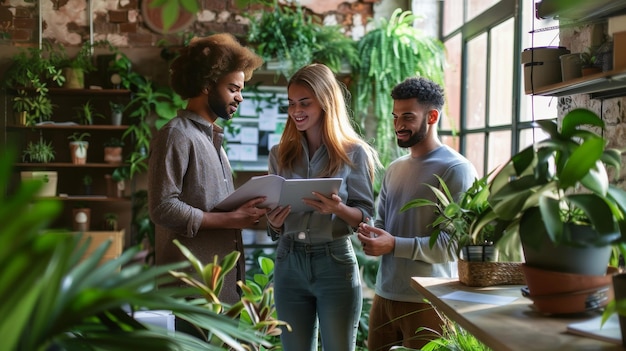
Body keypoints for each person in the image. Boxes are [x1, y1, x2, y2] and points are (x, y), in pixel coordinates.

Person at [356, 76, 478, 350]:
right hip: (385, 296)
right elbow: (382, 224)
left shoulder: (457, 169)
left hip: (429, 301)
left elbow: (452, 246)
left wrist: (392, 244)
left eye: (408, 117)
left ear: (432, 116)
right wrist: (371, 236)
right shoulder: (395, 168)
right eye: (395, 116)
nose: (398, 125)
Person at [265, 63, 380, 351]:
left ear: (326, 102)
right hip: (289, 262)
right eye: (291, 103)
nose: (296, 111)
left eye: (305, 102)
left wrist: (338, 208)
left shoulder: (355, 153)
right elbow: (271, 225)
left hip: (335, 263)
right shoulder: (280, 154)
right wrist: (274, 222)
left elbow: (365, 218)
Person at [148, 33, 266, 304]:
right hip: (190, 294)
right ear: (206, 85)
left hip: (222, 294)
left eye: (242, 90)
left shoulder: (213, 141)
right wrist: (230, 220)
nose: (240, 98)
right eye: (233, 88)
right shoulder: (176, 135)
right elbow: (162, 207)